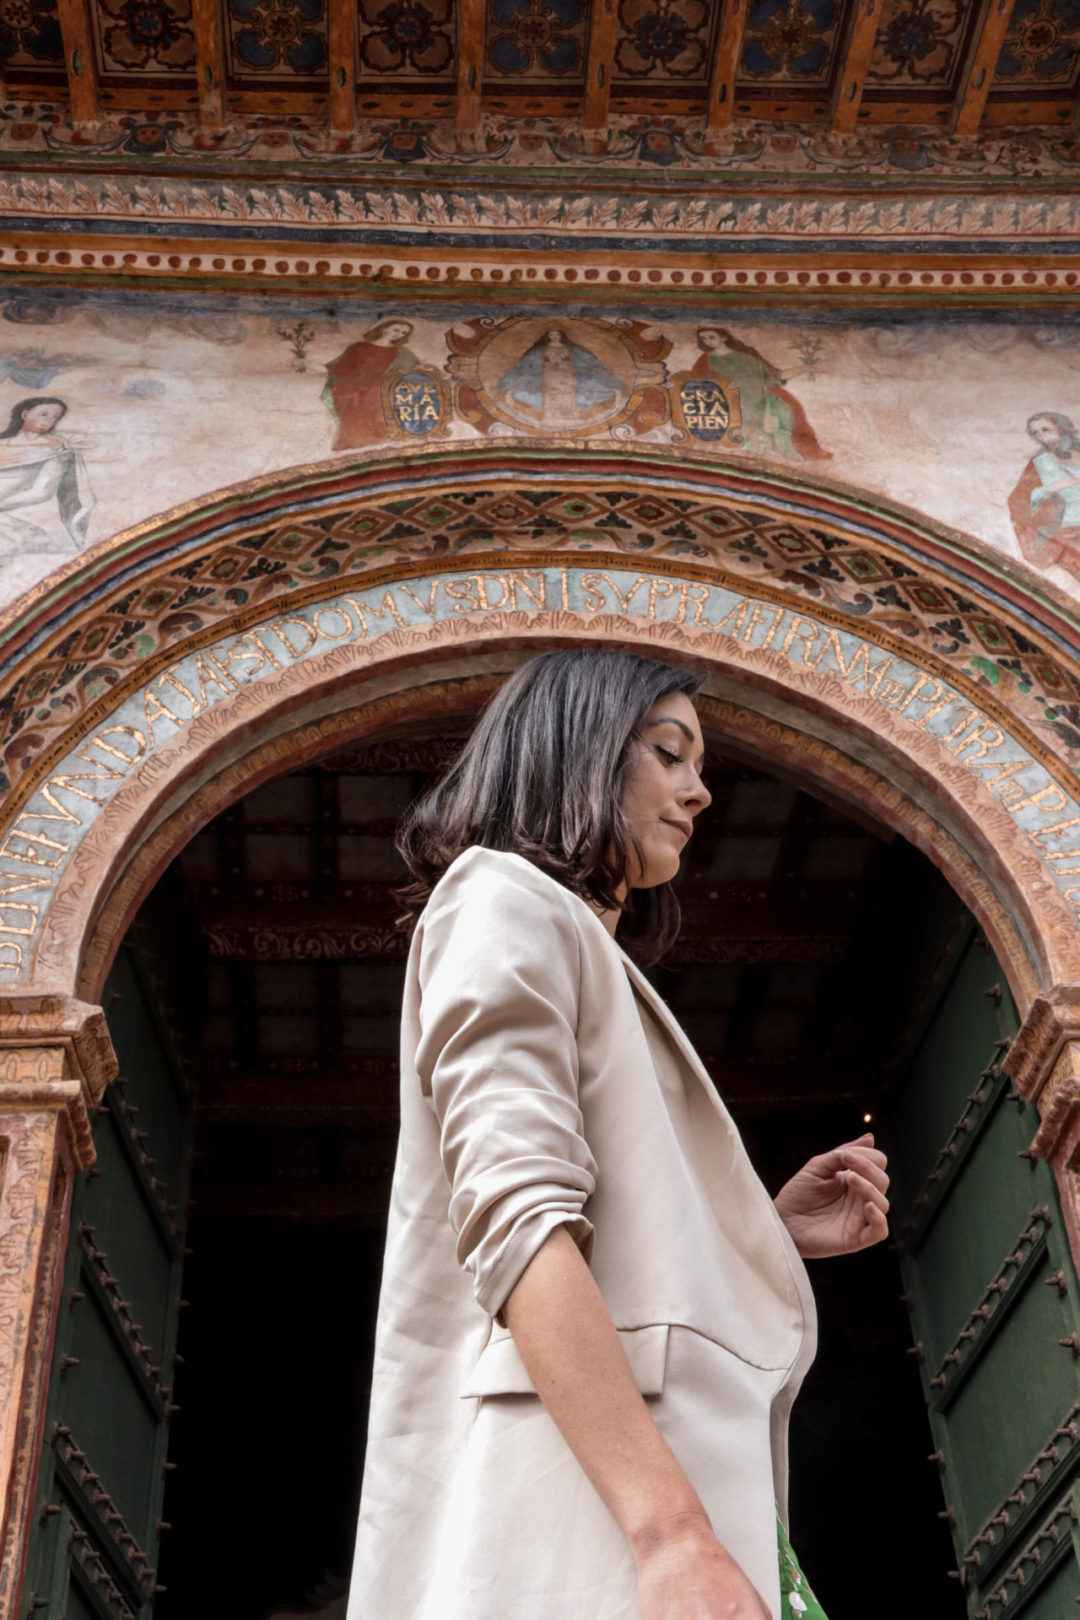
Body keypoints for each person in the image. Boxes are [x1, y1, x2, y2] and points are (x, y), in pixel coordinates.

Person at [348, 649, 889, 1620]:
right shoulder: (503, 898)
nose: (701, 790)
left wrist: (758, 1233)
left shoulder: (566, 936)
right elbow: (518, 1220)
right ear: (580, 748)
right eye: (669, 752)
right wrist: (671, 1536)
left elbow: (603, 1235)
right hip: (596, 1515)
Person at [692, 328, 830, 462]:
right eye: (703, 338)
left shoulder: (747, 357)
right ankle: (749, 451)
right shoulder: (706, 360)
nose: (707, 341)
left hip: (758, 398)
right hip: (729, 401)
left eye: (711, 337)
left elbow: (770, 377)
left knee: (785, 411)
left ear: (724, 337)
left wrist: (799, 369)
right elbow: (699, 385)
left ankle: (782, 450)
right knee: (747, 422)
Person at [0, 395, 94, 555]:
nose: (49, 421)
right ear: (25, 415)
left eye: (55, 417)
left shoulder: (57, 449)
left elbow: (42, 491)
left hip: (17, 510)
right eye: (43, 414)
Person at [322, 320, 417, 451]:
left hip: (384, 393)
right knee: (355, 420)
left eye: (403, 333)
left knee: (382, 421)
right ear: (384, 329)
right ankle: (351, 444)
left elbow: (416, 372)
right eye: (396, 329)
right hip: (355, 393)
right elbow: (340, 368)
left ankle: (382, 445)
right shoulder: (359, 347)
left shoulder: (403, 353)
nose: (399, 334)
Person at [1008, 411, 1080, 576]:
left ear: (1060, 428)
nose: (1041, 435)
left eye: (1045, 429)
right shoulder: (1040, 463)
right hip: (1069, 531)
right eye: (1036, 433)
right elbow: (1018, 501)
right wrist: (1051, 489)